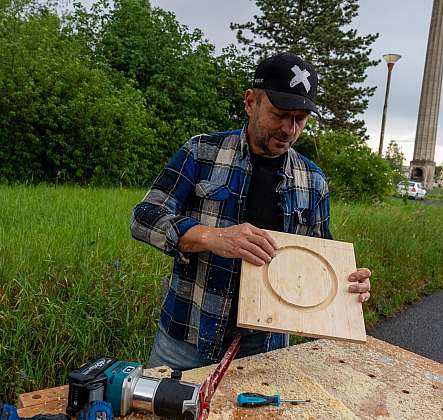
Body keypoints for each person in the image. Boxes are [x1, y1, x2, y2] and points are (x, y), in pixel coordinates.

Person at [130, 52, 372, 371]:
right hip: (186, 337)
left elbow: (320, 258)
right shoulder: (201, 152)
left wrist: (348, 284)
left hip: (266, 347)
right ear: (250, 102)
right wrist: (212, 237)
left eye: (300, 119)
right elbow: (144, 216)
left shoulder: (313, 181)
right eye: (279, 114)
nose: (289, 129)